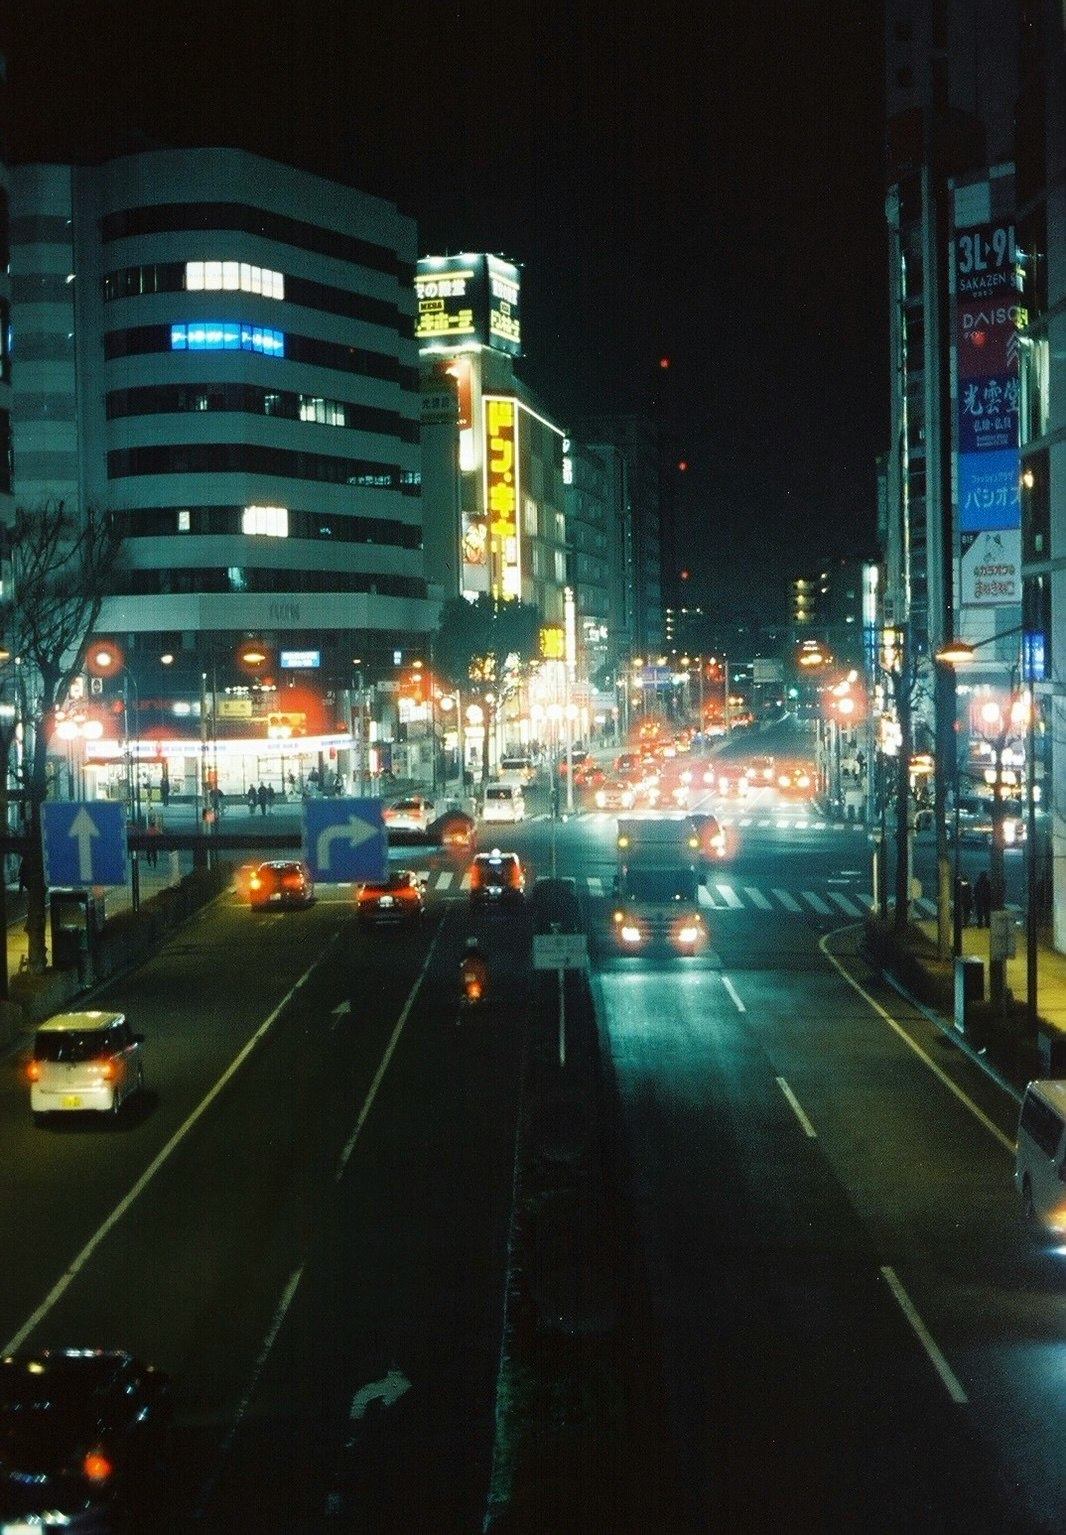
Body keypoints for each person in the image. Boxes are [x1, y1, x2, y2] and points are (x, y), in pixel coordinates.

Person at [459, 935, 489, 1007]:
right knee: (483, 984)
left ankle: (464, 996)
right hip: (479, 974)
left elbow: (460, 964)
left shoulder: (465, 954)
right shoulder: (480, 954)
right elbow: (485, 962)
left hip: (470, 974)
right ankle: (483, 997)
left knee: (464, 984)